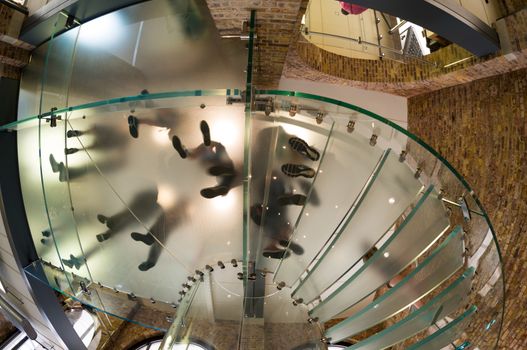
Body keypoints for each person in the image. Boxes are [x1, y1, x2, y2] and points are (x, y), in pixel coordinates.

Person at [172, 120, 240, 199]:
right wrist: (208, 145)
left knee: (225, 181)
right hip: (222, 164)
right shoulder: (198, 156)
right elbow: (217, 147)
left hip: (218, 164)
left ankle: (221, 186)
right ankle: (224, 181)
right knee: (219, 153)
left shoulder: (195, 164)